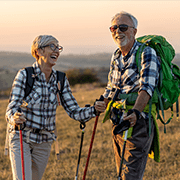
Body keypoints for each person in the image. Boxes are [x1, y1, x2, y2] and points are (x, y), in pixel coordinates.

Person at [5, 35, 106, 180]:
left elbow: (74, 111)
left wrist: (94, 110)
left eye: (58, 48)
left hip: (44, 140)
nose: (57, 51)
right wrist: (14, 117)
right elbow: (12, 107)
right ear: (39, 51)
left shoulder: (60, 79)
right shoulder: (25, 75)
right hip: (22, 137)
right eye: (52, 47)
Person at [98, 11, 160, 179]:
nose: (118, 31)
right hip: (117, 119)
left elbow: (147, 88)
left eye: (123, 27)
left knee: (130, 174)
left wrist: (136, 113)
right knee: (121, 170)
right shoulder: (116, 55)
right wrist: (101, 102)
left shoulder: (146, 53)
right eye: (114, 28)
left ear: (134, 31)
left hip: (138, 121)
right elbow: (111, 87)